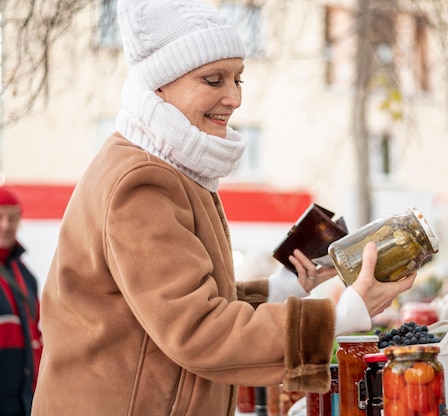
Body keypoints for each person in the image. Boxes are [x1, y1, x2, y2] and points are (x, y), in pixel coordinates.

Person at [30, 1, 417, 415]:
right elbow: (197, 329)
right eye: (213, 80)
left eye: (237, 79)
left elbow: (181, 301)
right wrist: (339, 316)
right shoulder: (142, 182)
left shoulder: (169, 165)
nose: (233, 98)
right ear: (159, 86)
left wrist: (282, 290)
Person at [0, 187, 43, 416]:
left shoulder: (26, 277)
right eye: (0, 217)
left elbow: (37, 335)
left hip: (25, 401)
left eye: (12, 218)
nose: (6, 225)